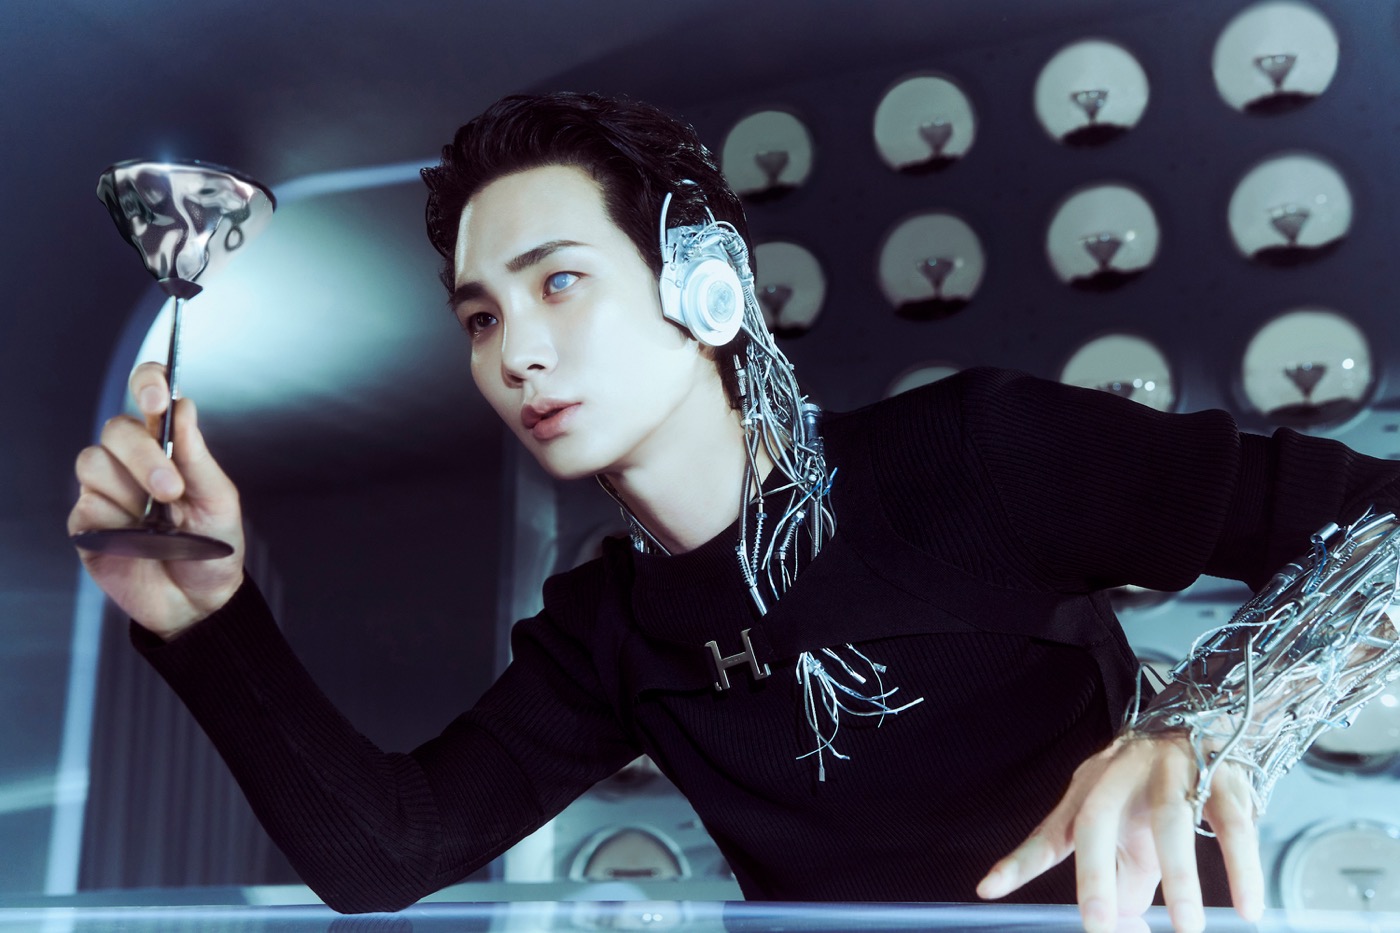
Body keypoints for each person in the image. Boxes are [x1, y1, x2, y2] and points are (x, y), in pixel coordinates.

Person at [68, 92, 1400, 933]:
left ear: (705, 284)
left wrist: (1202, 724)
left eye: (559, 282)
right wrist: (205, 621)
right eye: (479, 316)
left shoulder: (977, 451)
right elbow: (385, 852)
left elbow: (1387, 519)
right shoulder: (605, 631)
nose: (516, 351)